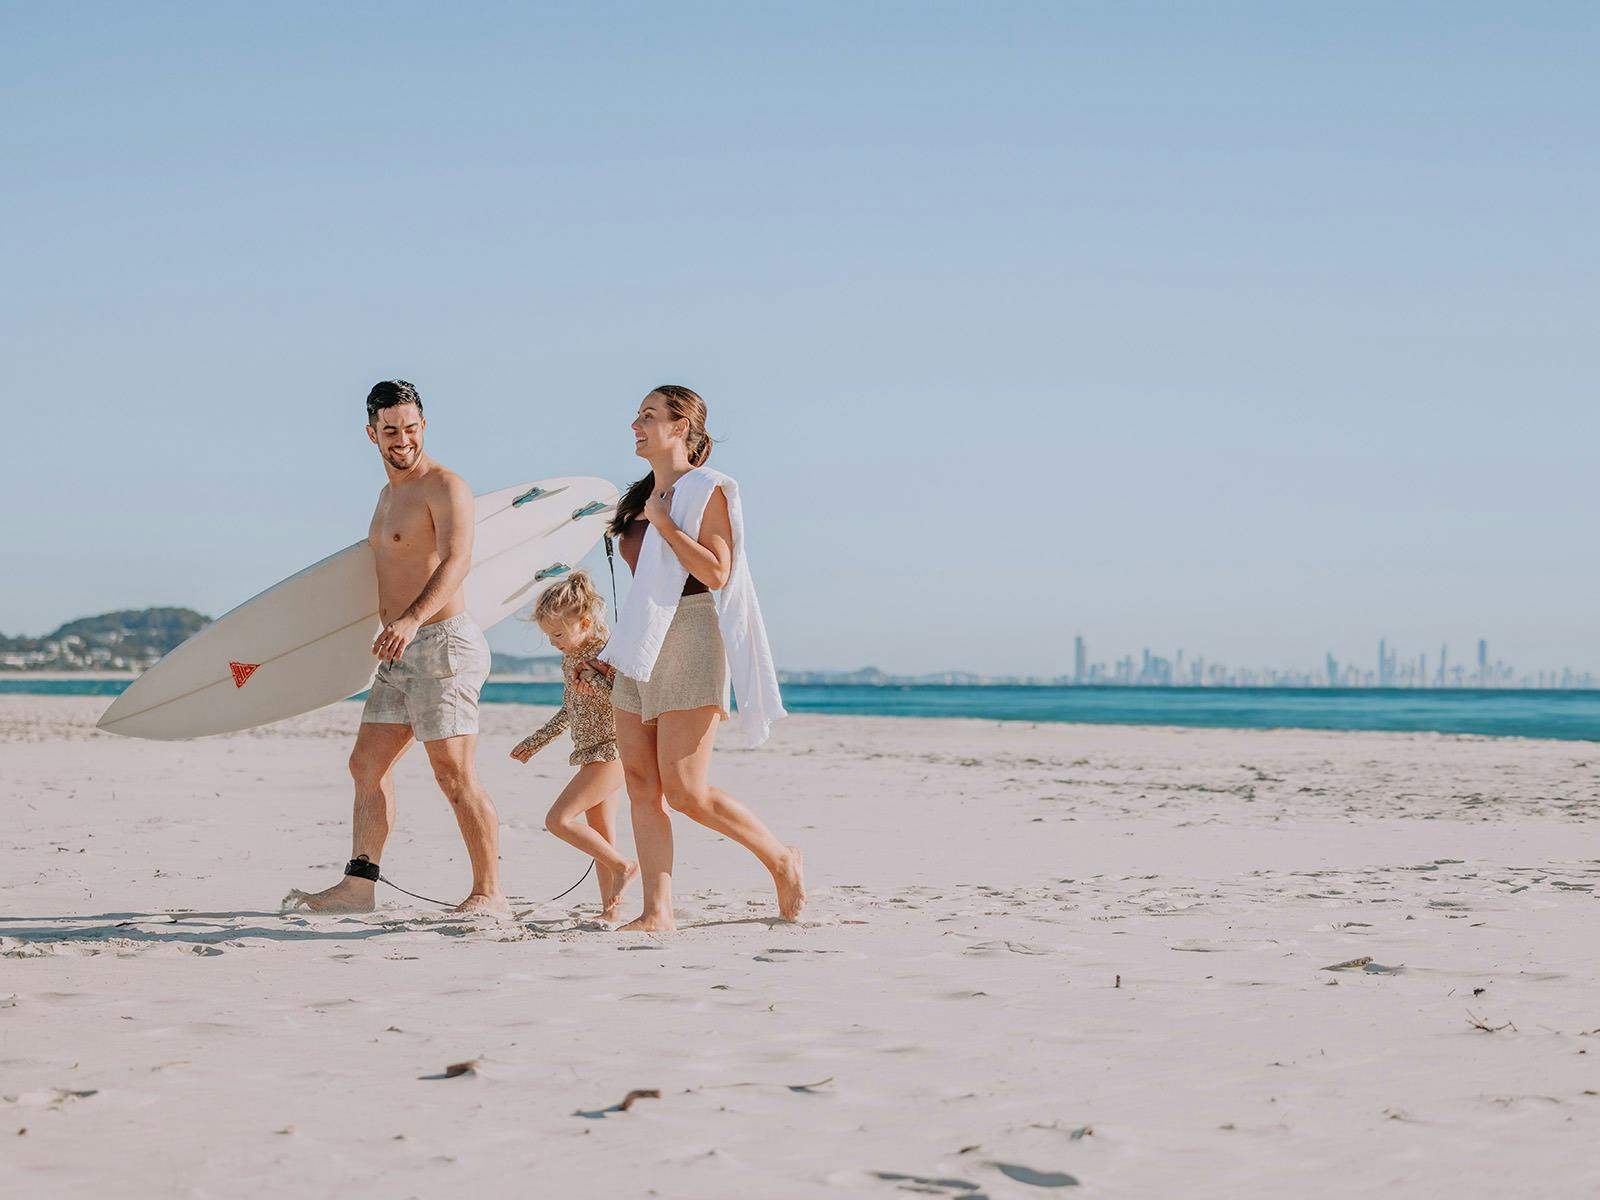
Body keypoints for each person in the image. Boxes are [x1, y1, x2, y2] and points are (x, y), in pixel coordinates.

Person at [582, 384, 804, 932]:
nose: (637, 424)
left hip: (694, 632)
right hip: (641, 639)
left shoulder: (708, 489)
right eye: (637, 415)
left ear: (681, 426)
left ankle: (781, 859)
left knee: (684, 789)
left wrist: (664, 524)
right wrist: (611, 653)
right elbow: (642, 588)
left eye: (649, 416)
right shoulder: (638, 499)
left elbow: (717, 572)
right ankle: (658, 911)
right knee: (639, 783)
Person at [283, 380, 506, 915]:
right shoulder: (386, 497)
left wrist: (409, 619)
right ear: (371, 434)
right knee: (366, 765)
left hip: (442, 645)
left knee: (453, 773)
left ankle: (490, 894)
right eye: (390, 430)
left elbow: (457, 561)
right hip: (397, 651)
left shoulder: (445, 486)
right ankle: (359, 886)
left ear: (423, 426)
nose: (402, 439)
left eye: (410, 428)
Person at [510, 571, 637, 922]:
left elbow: (625, 699)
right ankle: (611, 911)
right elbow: (570, 708)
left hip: (613, 750)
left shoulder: (609, 651)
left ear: (583, 622)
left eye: (558, 635)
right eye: (549, 636)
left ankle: (625, 866)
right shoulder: (569, 659)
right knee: (600, 835)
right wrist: (534, 742)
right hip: (589, 751)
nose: (554, 643)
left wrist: (593, 678)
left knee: (559, 819)